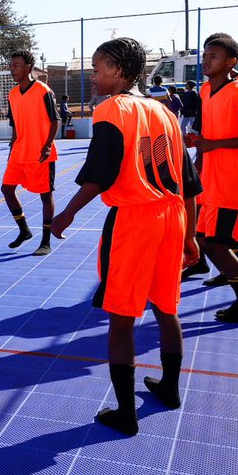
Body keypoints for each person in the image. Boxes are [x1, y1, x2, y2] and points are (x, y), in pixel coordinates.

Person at [51, 37, 201, 436]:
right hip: (171, 217)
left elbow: (100, 173)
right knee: (166, 307)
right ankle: (169, 388)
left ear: (118, 71)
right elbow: (187, 182)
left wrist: (66, 213)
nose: (94, 76)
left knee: (121, 316)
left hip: (135, 219)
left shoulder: (112, 110)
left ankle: (125, 411)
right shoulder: (163, 111)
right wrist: (190, 235)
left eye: (98, 69)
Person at [182, 32, 238, 323]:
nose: (207, 61)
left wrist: (214, 145)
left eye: (214, 56)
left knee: (217, 244)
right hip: (212, 180)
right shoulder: (207, 91)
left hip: (234, 182)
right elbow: (212, 131)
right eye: (205, 56)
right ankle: (226, 277)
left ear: (231, 62)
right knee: (203, 238)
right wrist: (199, 146)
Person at [1, 50, 59, 256]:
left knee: (45, 196)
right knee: (7, 190)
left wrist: (47, 145)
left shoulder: (43, 91)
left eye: (15, 65)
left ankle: (45, 241)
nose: (11, 69)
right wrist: (12, 145)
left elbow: (55, 120)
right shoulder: (12, 94)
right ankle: (24, 230)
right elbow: (15, 124)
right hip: (19, 151)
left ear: (28, 67)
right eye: (10, 65)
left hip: (40, 153)